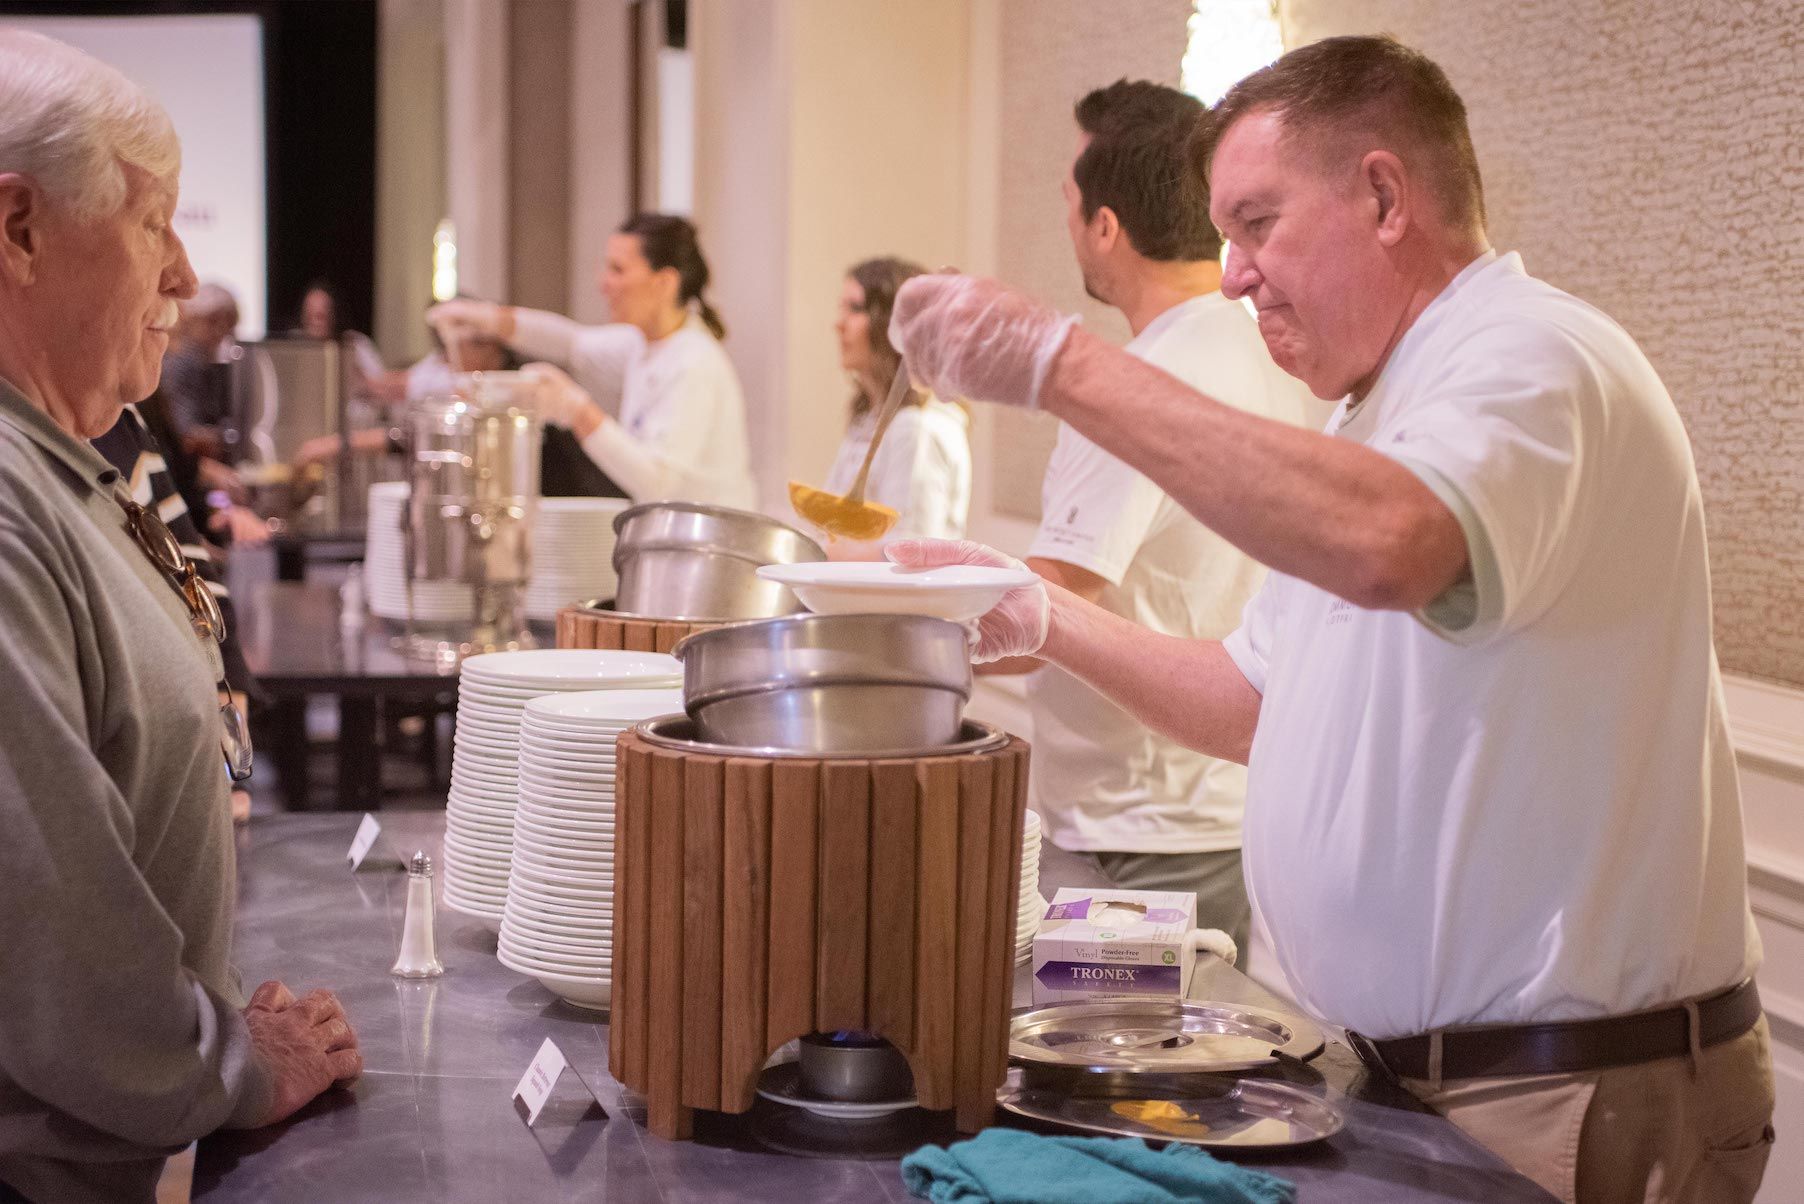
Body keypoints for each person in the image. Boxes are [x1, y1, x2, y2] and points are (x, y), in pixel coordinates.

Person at [885, 35, 1770, 1203]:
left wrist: (1062, 365)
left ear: (1384, 193)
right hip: (1398, 1077)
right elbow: (1253, 702)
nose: (1235, 273)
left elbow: (1391, 545)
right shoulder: (1373, 418)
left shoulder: (1532, 355)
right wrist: (1039, 613)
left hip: (1562, 1092)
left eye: (1255, 223)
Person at [0, 30, 361, 1201]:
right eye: (153, 223)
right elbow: (42, 915)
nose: (180, 276)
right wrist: (229, 1066)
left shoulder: (55, 461)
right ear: (17, 228)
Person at [988, 81, 1315, 953]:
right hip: (1218, 805)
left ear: (1105, 225)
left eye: (1068, 202)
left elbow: (1049, 603)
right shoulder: (1271, 346)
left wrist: (886, 614)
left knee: (1127, 1081)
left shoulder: (1147, 380)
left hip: (1140, 831)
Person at [428, 213, 756, 509]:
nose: (603, 283)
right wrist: (488, 319)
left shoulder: (693, 363)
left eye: (617, 270)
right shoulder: (642, 345)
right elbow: (570, 343)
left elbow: (659, 482)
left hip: (710, 548)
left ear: (664, 283)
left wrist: (575, 409)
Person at [293, 299, 627, 499]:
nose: (449, 358)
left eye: (459, 344)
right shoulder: (482, 385)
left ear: (491, 346)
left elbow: (418, 439)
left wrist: (339, 445)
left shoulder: (516, 386)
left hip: (580, 509)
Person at [821, 257, 970, 546]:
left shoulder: (917, 427)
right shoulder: (869, 417)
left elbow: (912, 552)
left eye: (854, 309)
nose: (838, 324)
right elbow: (832, 523)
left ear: (892, 324)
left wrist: (809, 557)